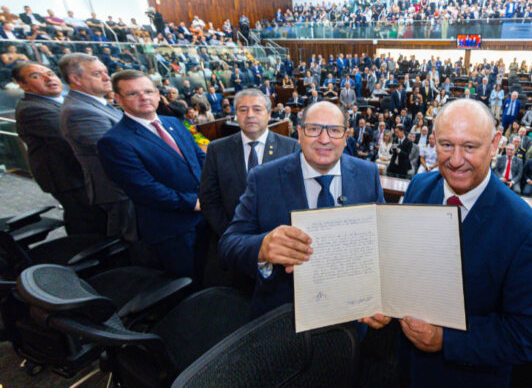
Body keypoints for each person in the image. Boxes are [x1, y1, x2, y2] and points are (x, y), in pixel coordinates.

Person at [360, 99, 532, 387]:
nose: (456, 159)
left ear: (494, 144)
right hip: (403, 368)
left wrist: (447, 340)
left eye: (470, 147)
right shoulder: (419, 187)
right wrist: (381, 300)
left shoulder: (526, 231)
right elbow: (402, 261)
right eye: (446, 145)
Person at [218, 101, 384, 318]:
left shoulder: (368, 174)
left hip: (353, 316)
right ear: (299, 133)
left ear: (346, 136)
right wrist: (262, 248)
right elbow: (228, 246)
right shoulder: (263, 178)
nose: (324, 139)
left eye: (334, 130)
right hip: (283, 319)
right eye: (314, 129)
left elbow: (382, 244)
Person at [97, 70, 207, 279]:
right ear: (117, 99)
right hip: (172, 228)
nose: (144, 97)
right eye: (133, 94)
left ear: (158, 94)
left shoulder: (175, 122)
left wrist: (210, 192)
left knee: (211, 271)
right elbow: (144, 189)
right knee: (187, 282)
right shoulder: (114, 141)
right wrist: (194, 203)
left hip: (206, 214)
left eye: (148, 91)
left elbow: (199, 159)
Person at [13, 62, 103, 234]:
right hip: (69, 178)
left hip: (82, 173)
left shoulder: (64, 98)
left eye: (50, 73)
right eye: (36, 76)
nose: (49, 78)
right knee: (87, 222)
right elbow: (72, 141)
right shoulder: (33, 109)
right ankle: (88, 257)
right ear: (23, 85)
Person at [200, 88, 299, 238]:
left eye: (257, 109)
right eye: (243, 110)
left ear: (269, 114)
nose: (250, 115)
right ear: (235, 115)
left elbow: (297, 195)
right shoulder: (217, 149)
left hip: (279, 239)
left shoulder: (291, 147)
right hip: (233, 239)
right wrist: (229, 234)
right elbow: (208, 198)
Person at [59, 53, 135, 239]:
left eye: (105, 72)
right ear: (75, 79)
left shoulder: (94, 104)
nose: (106, 77)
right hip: (120, 190)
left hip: (126, 187)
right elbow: (118, 152)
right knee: (135, 244)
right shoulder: (80, 111)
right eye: (97, 73)